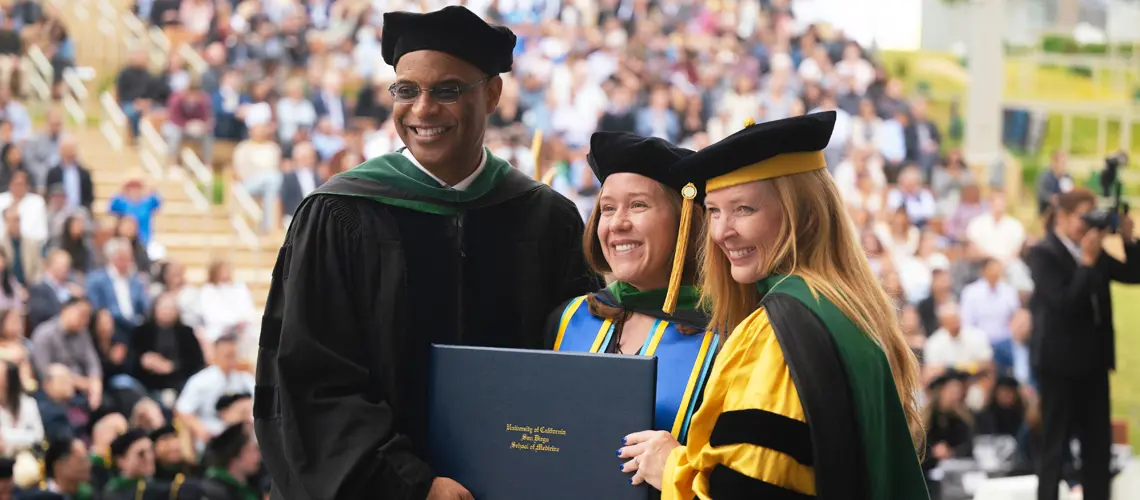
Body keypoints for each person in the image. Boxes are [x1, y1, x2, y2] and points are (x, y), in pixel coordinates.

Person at [253, 6, 600, 500]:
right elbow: (312, 381)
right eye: (407, 90)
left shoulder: (546, 219)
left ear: (493, 93)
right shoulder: (341, 215)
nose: (422, 109)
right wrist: (413, 486)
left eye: (447, 90)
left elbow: (574, 364)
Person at [618, 112, 928, 499]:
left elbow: (754, 490)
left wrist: (672, 468)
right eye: (713, 210)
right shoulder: (845, 310)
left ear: (803, 213)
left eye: (744, 209)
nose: (720, 232)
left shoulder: (777, 332)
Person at [546, 132, 717, 445]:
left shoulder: (726, 335)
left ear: (685, 220)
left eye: (638, 205)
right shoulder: (569, 319)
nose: (617, 223)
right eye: (608, 209)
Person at [1025, 187, 1138, 500]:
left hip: (1094, 363)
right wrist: (1087, 264)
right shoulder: (1043, 253)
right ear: (1061, 216)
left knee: (1097, 448)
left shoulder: (1095, 250)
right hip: (1059, 366)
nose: (1086, 227)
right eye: (1081, 218)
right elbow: (1064, 302)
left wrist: (1129, 241)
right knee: (1055, 445)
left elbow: (1134, 274)